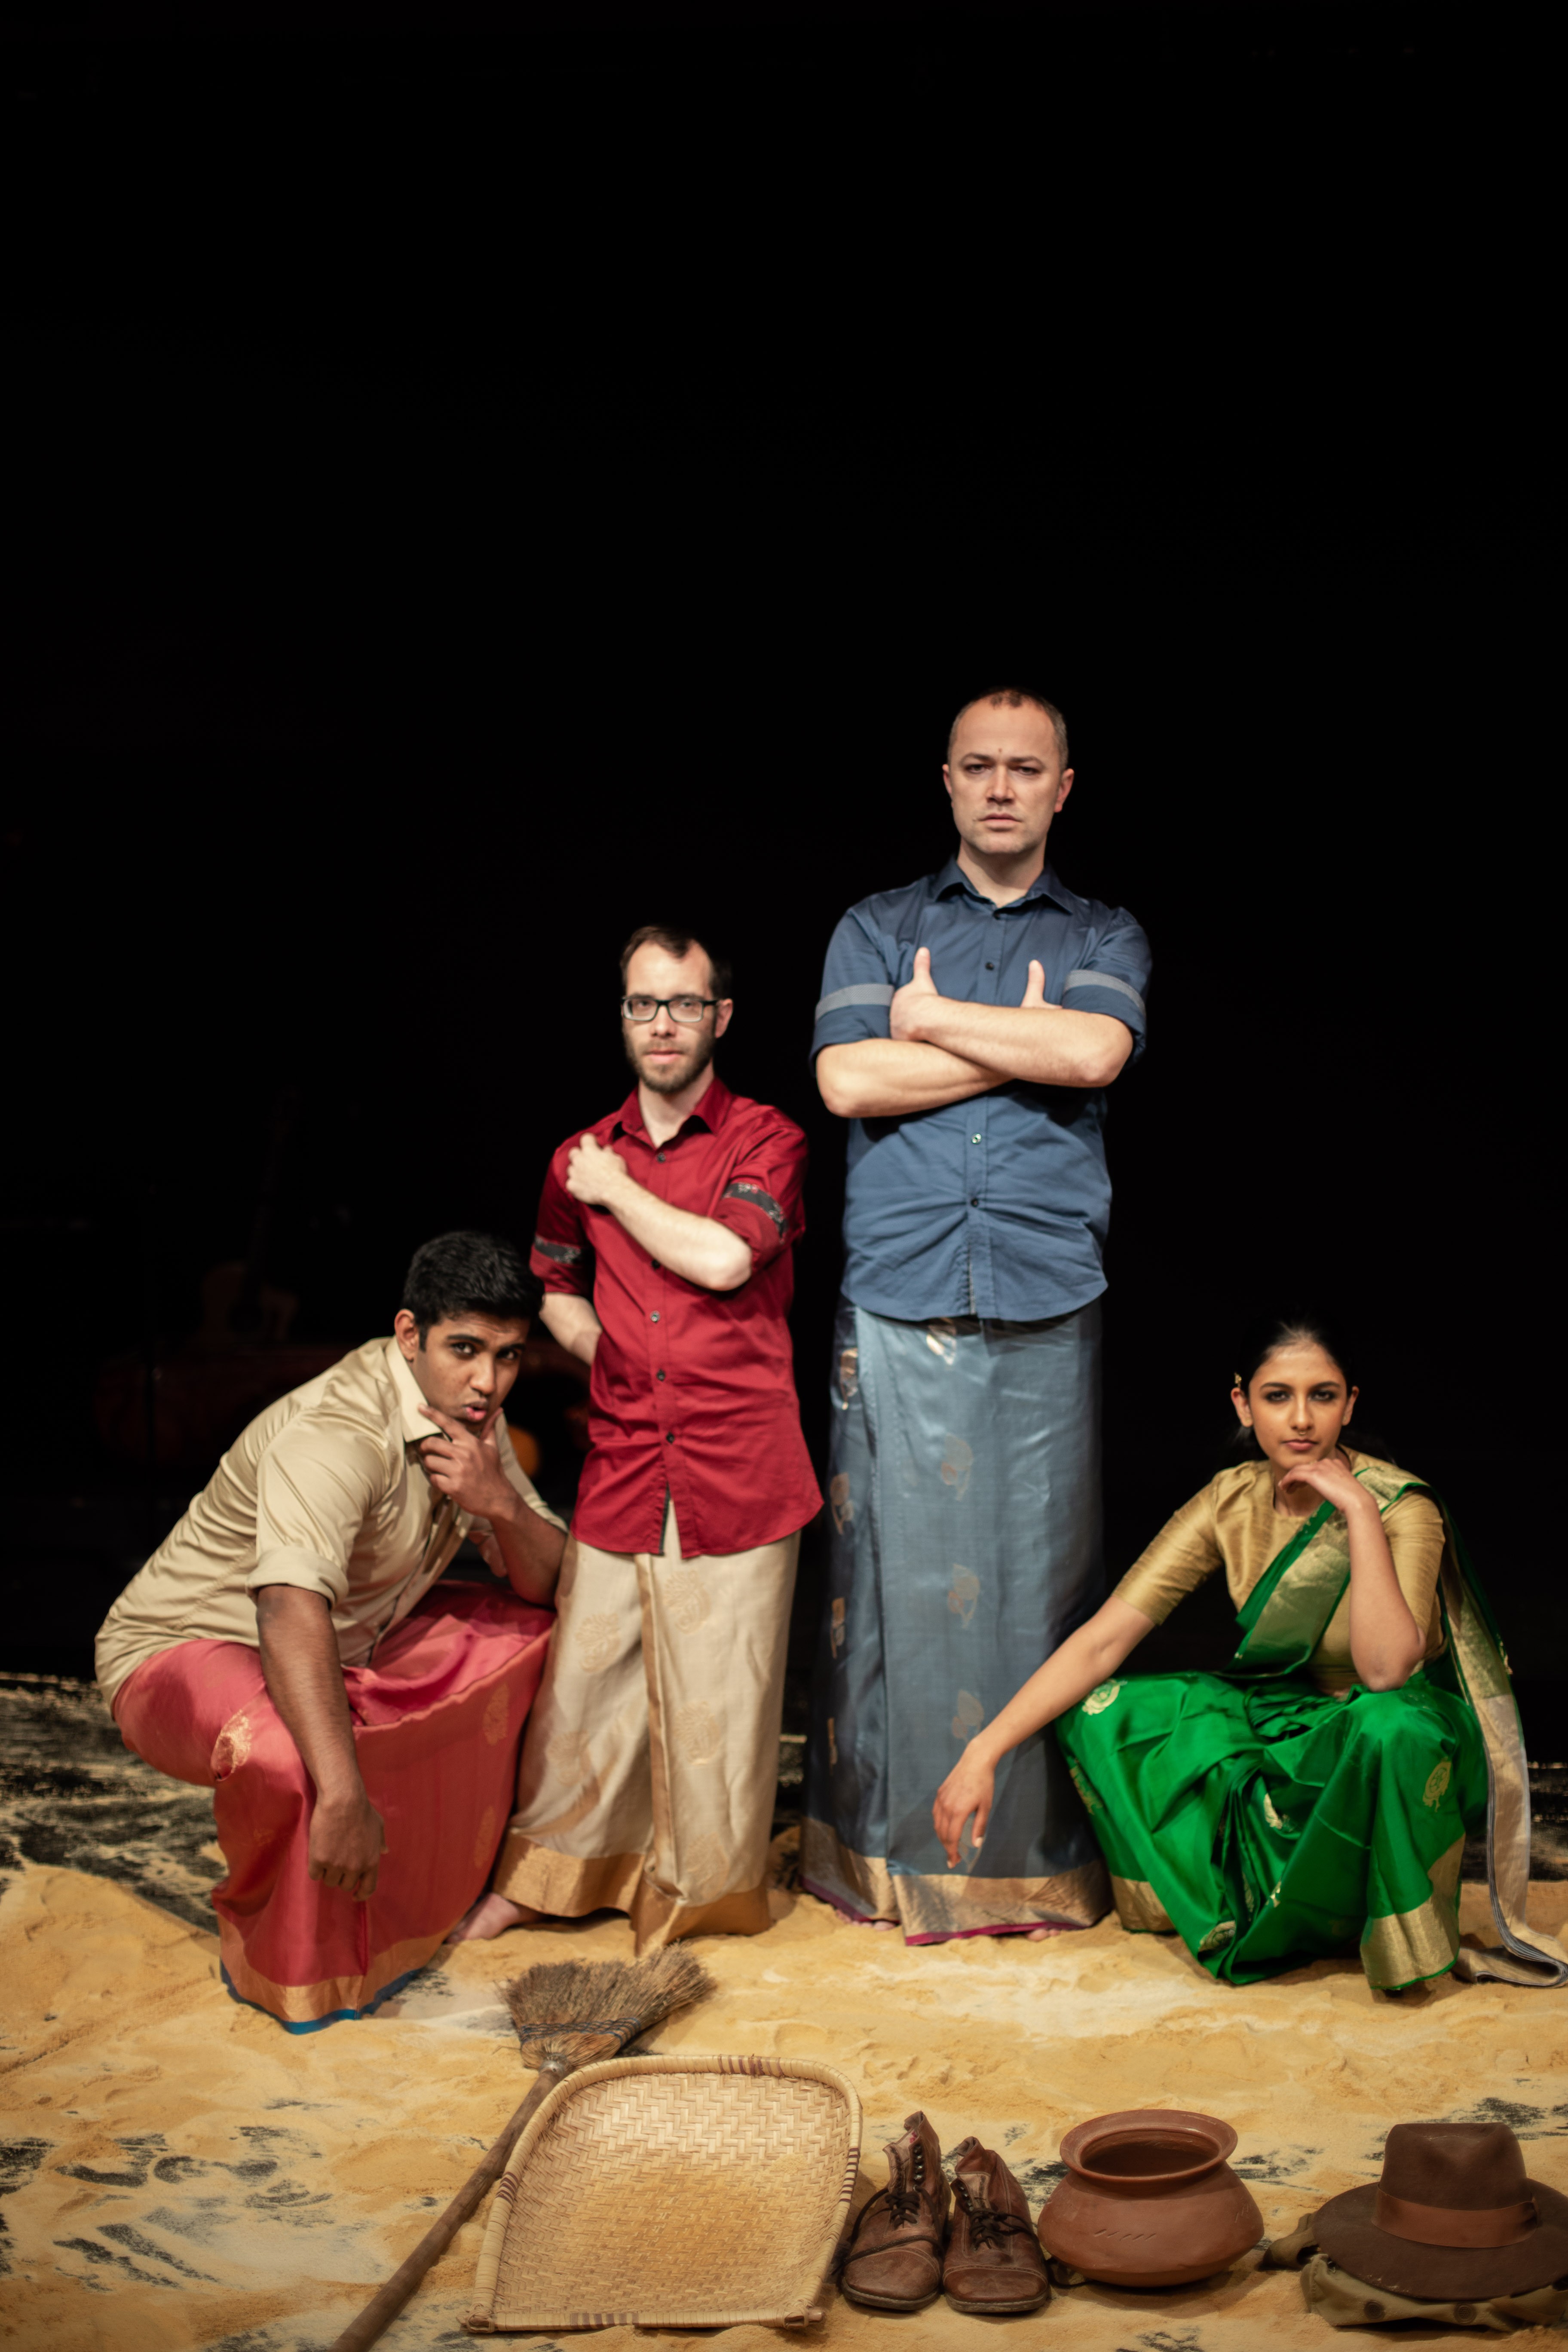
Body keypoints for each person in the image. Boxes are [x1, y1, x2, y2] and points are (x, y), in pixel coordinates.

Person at [802, 686, 1151, 1942]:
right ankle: (883, 1864)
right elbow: (847, 1078)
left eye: (1027, 769)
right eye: (978, 768)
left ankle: (1033, 1863)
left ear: (1066, 788)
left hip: (1044, 1280)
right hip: (897, 1279)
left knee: (1036, 1580)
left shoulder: (1107, 929)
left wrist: (935, 1019)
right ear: (945, 782)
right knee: (886, 1583)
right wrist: (1028, 1035)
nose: (1001, 787)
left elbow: (1098, 1059)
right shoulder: (875, 925)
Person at [934, 1312, 1567, 1992]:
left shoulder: (1401, 1507)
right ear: (1242, 1402)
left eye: (1323, 1395)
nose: (1301, 1419)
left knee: (1389, 1728)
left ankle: (1367, 1917)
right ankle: (1234, 1905)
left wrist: (1357, 1513)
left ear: (1351, 1403)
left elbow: (1386, 1673)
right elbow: (1103, 1640)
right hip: (1287, 1713)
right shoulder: (1227, 1501)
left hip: (1392, 1729)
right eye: (1277, 1396)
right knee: (1105, 1712)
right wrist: (984, 1751)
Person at [95, 1232, 566, 2029]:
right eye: (465, 1350)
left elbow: (548, 1581)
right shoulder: (332, 1434)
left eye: (510, 1356)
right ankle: (294, 1971)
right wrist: (345, 1794)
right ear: (409, 1335)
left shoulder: (471, 1415)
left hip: (347, 1642)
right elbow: (285, 1611)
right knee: (297, 1762)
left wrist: (504, 1507)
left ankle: (443, 1892)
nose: (488, 1382)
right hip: (188, 1647)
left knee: (542, 1637)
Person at [460, 923, 821, 1952]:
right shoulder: (576, 1154)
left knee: (719, 1702)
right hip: (625, 1452)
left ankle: (695, 1895)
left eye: (684, 1005)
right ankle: (550, 1879)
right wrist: (598, 1341)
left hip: (738, 1461)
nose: (663, 1025)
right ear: (622, 1016)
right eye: (643, 1004)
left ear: (721, 1019)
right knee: (588, 1685)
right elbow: (556, 1282)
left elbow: (723, 1260)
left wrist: (617, 1190)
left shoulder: (766, 1139)